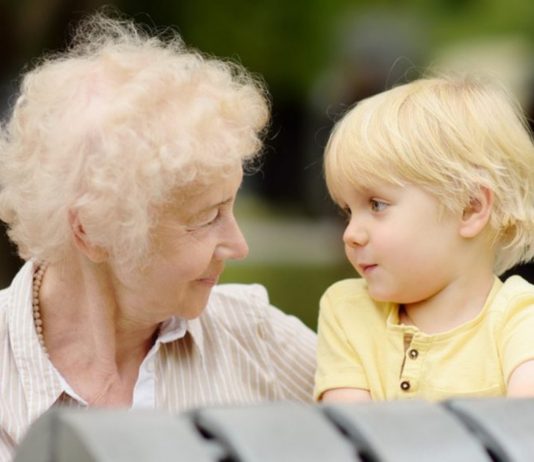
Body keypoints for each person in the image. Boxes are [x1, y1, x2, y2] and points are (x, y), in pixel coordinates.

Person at [0, 12, 316, 460]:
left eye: (232, 207)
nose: (239, 245)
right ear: (92, 231)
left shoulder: (257, 339)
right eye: (208, 217)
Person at [314, 75, 534, 402]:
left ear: (470, 208)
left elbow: (521, 432)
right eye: (348, 210)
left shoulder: (519, 317)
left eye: (376, 205)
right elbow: (350, 438)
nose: (351, 234)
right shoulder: (348, 310)